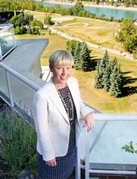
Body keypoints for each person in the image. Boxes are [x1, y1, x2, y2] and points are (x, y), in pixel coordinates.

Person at [32, 49, 95, 179]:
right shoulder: (42, 95)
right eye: (60, 68)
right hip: (54, 152)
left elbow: (78, 103)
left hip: (71, 144)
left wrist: (87, 113)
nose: (65, 73)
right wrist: (48, 154)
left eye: (68, 67)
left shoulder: (73, 82)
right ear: (51, 68)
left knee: (67, 174)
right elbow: (41, 129)